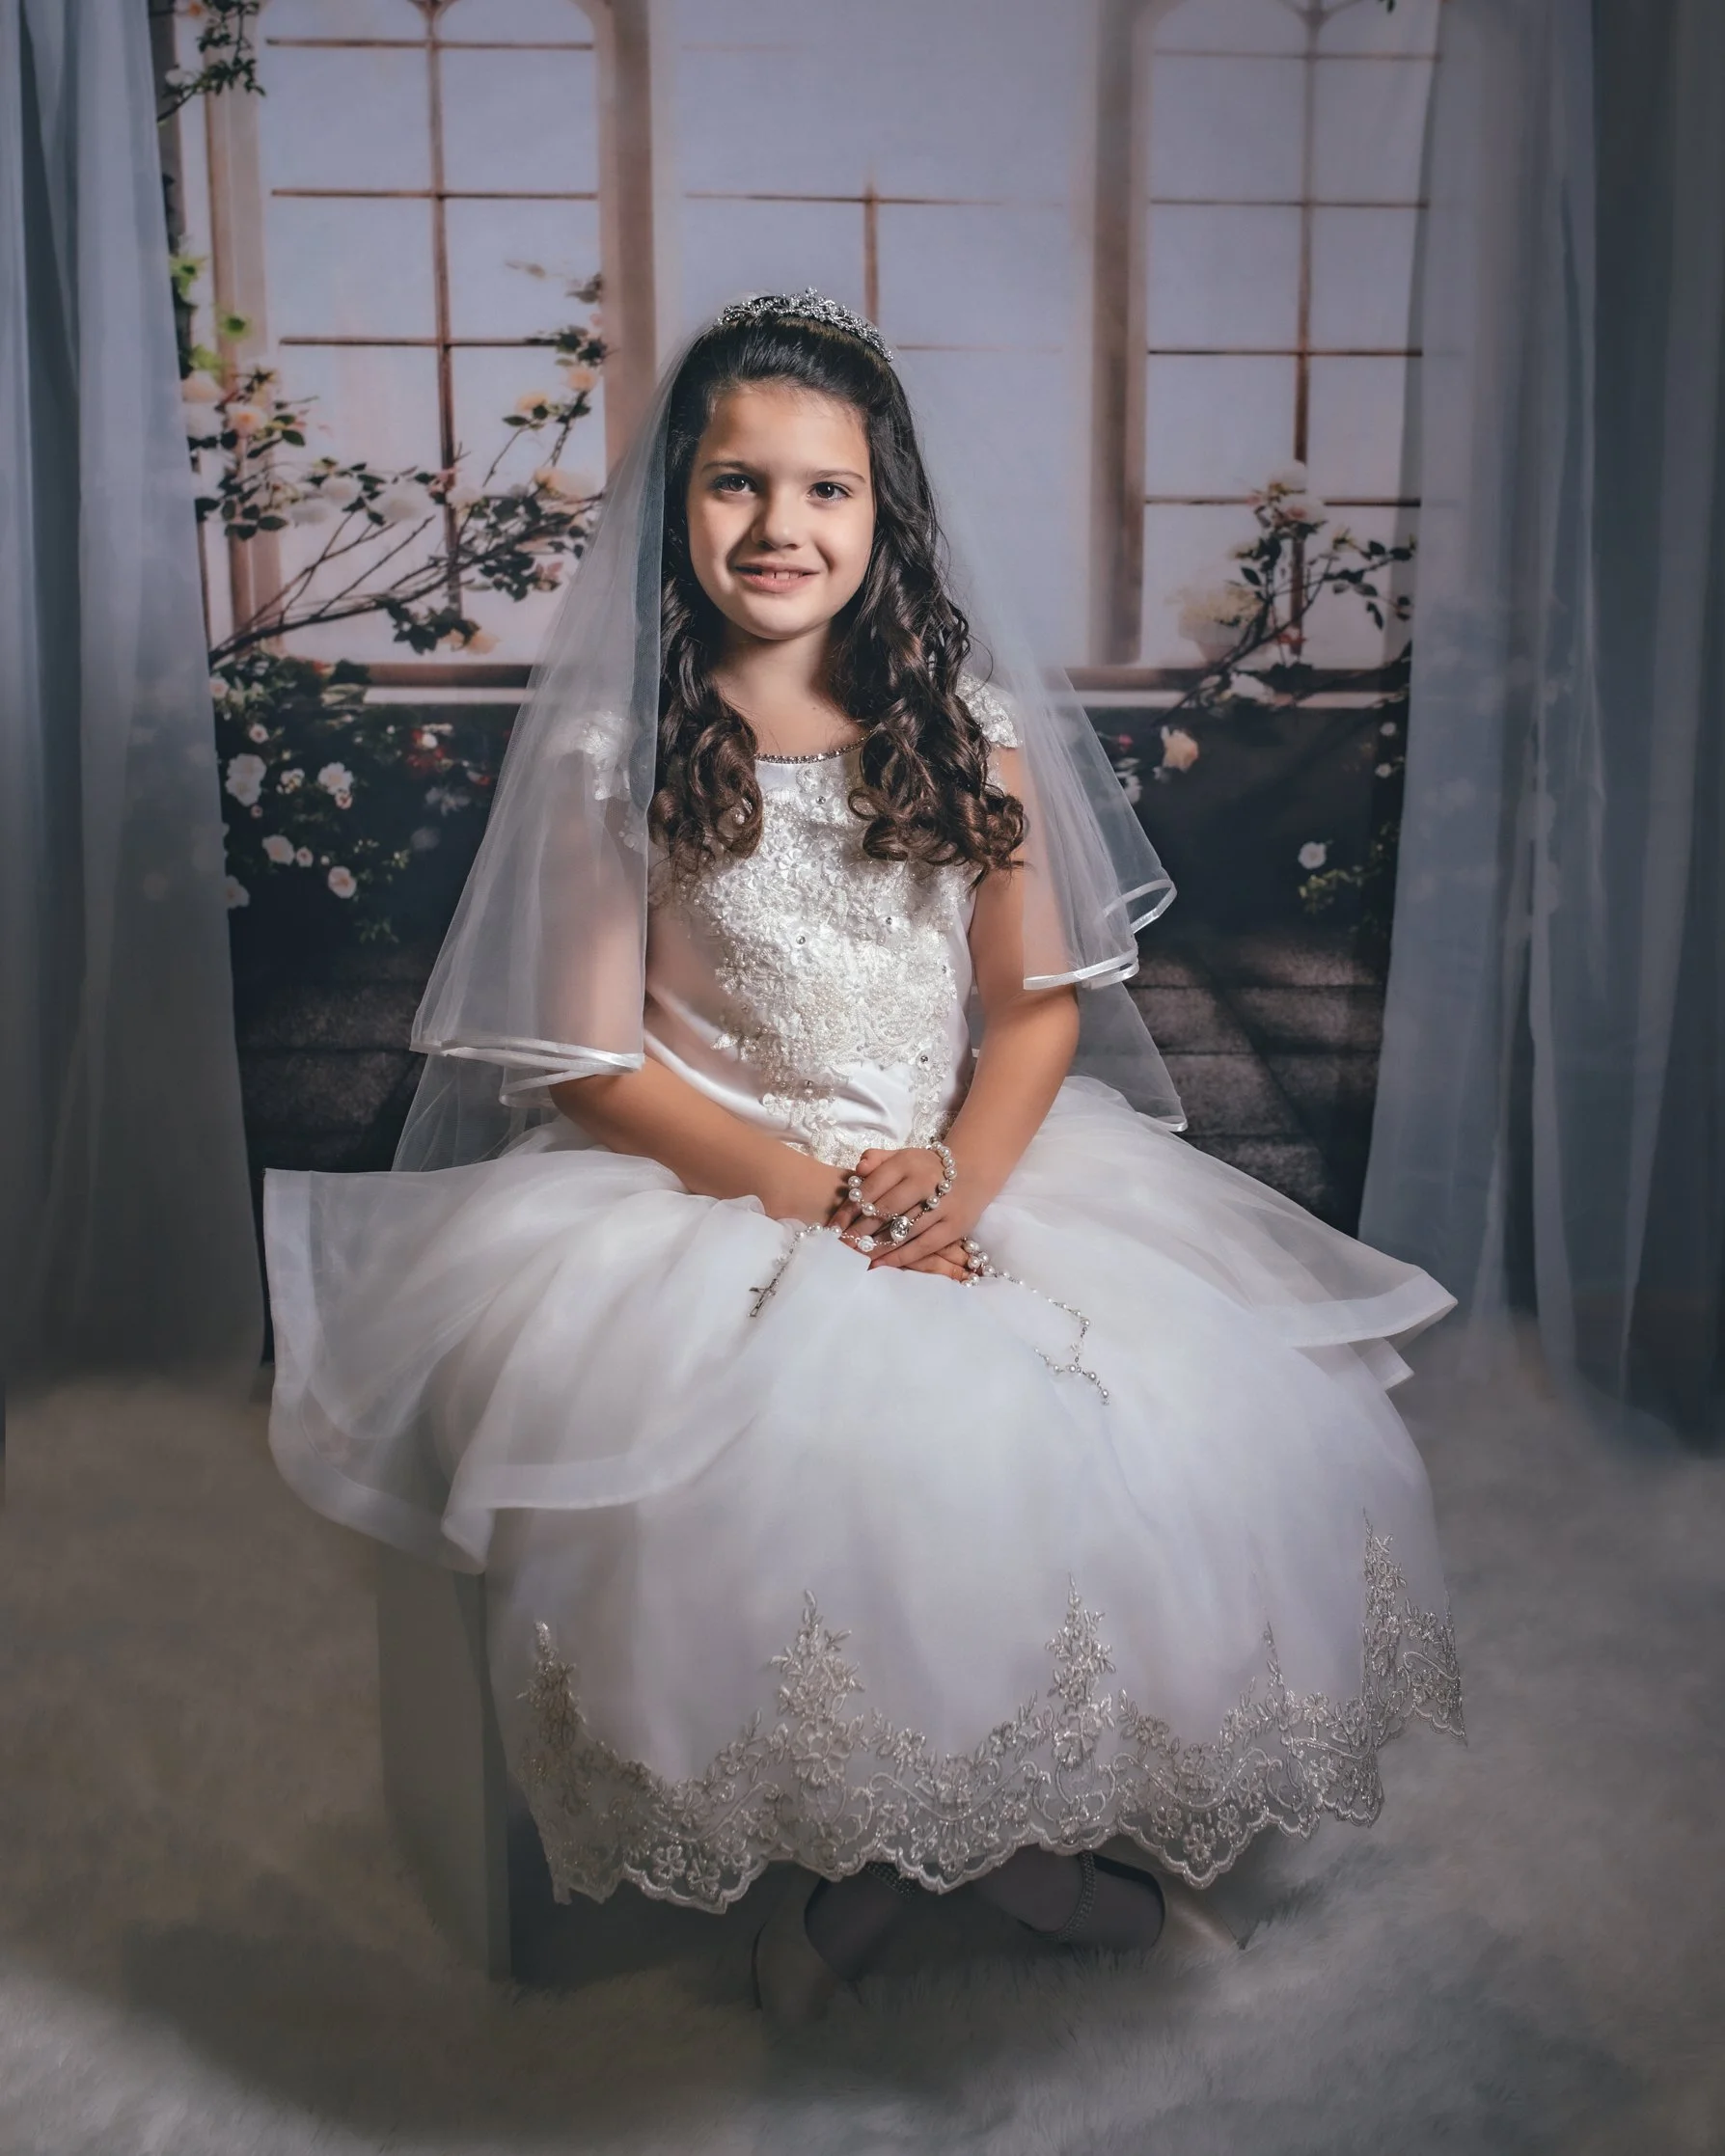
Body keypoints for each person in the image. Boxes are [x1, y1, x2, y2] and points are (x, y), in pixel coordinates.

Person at [263, 291, 1464, 2026]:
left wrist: (958, 1184)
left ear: (883, 511)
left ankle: (982, 1844)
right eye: (737, 483)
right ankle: (918, 1872)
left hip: (956, 1170)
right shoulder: (624, 746)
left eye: (826, 489)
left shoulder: (962, 724)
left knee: (1146, 1447)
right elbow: (592, 1064)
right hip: (710, 1186)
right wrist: (814, 1196)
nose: (781, 526)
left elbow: (1034, 1014)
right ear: (680, 505)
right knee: (841, 1473)